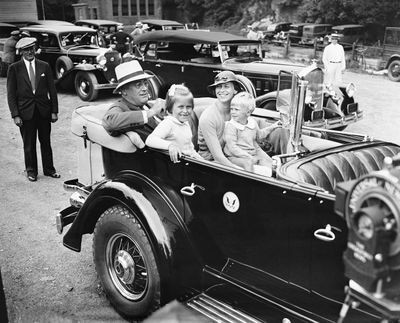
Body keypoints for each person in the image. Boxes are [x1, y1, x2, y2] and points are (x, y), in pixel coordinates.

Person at [7, 37, 60, 182]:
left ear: (35, 49)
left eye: (31, 48)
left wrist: (54, 111)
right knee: (28, 144)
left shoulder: (45, 66)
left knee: (46, 142)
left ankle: (49, 170)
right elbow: (11, 94)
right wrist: (15, 115)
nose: (29, 52)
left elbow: (52, 90)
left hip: (43, 111)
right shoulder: (14, 68)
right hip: (25, 113)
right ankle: (31, 171)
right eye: (26, 49)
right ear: (21, 52)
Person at [102, 60, 165, 141]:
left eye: (145, 83)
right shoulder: (120, 107)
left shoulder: (144, 105)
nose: (145, 88)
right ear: (124, 91)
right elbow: (109, 122)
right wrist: (151, 112)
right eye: (138, 85)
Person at [224, 92, 281, 173]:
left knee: (271, 163)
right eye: (231, 109)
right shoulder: (231, 126)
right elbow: (232, 147)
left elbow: (259, 136)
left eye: (236, 109)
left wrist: (273, 127)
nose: (233, 112)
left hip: (252, 153)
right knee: (248, 164)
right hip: (234, 156)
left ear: (248, 113)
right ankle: (250, 182)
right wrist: (247, 156)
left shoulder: (252, 122)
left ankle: (273, 178)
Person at [145, 84, 203, 162]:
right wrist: (170, 145)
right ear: (170, 108)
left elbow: (189, 148)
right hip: (174, 164)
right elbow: (150, 140)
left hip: (188, 161)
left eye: (188, 107)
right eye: (181, 107)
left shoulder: (185, 123)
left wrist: (200, 159)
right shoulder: (168, 123)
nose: (185, 111)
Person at [197, 71, 241, 167]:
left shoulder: (237, 112)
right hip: (210, 164)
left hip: (230, 156)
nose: (222, 90)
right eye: (218, 86)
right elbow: (218, 157)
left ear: (235, 90)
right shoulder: (208, 117)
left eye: (226, 86)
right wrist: (246, 173)